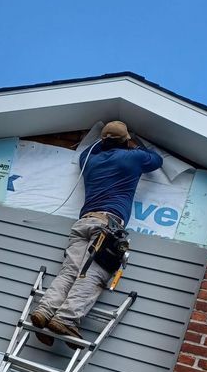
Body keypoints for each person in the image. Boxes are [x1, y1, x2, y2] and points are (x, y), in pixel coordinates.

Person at [30, 121, 163, 346]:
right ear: (125, 141)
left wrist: (105, 142)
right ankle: (65, 319)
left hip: (83, 223)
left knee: (70, 272)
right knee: (94, 274)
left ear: (102, 141)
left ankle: (44, 311)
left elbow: (94, 149)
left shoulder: (89, 160)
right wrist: (133, 145)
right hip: (107, 226)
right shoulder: (133, 158)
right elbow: (156, 160)